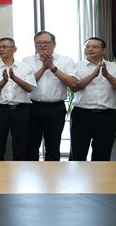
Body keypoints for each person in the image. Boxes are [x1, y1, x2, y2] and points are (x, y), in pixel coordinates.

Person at [70, 37, 116, 161]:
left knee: (102, 155)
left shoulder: (114, 67)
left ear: (104, 50)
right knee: (77, 154)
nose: (90, 49)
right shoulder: (76, 66)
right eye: (87, 46)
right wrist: (93, 75)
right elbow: (74, 88)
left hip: (106, 116)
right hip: (82, 115)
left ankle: (99, 175)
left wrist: (107, 75)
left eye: (95, 47)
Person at [22, 31, 77, 161]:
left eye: (46, 42)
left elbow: (73, 83)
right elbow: (26, 84)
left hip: (55, 109)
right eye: (38, 43)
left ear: (54, 44)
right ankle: (30, 172)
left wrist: (52, 67)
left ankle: (52, 173)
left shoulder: (66, 60)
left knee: (53, 146)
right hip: (32, 107)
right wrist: (43, 68)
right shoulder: (27, 60)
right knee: (31, 146)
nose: (42, 45)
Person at [0, 37, 36, 160]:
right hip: (0, 109)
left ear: (14, 49)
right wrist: (4, 81)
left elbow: (30, 88)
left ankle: (19, 169)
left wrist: (14, 78)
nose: (1, 49)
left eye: (4, 47)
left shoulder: (25, 67)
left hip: (22, 109)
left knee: (21, 144)